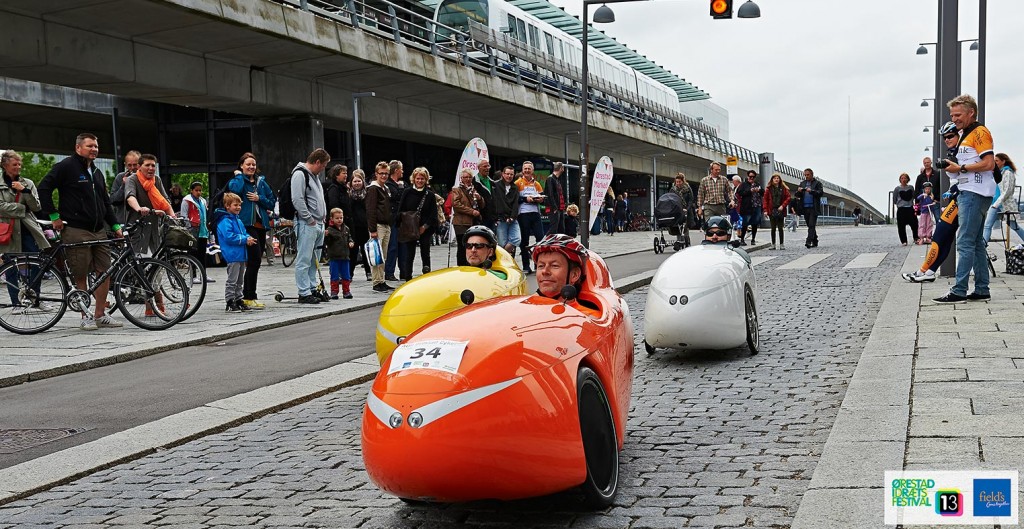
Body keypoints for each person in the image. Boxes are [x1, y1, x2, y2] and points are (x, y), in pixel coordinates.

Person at [38, 133, 123, 330]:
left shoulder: (96, 172)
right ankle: (85, 315)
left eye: (96, 146)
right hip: (76, 228)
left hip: (98, 230)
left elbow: (106, 203)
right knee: (80, 274)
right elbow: (44, 188)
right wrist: (53, 216)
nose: (94, 149)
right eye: (89, 146)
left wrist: (116, 225)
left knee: (104, 271)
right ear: (78, 148)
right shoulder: (66, 167)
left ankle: (100, 314)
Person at [934, 94, 996, 304]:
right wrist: (954, 167)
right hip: (972, 191)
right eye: (952, 114)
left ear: (971, 113)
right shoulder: (964, 134)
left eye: (958, 114)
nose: (954, 118)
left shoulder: (979, 132)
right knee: (976, 242)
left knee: (965, 242)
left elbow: (989, 163)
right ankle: (981, 288)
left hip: (973, 191)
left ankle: (959, 290)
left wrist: (960, 167)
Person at [904, 123, 962, 283]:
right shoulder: (954, 151)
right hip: (956, 197)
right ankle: (928, 271)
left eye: (950, 136)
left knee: (939, 235)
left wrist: (955, 189)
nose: (947, 140)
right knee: (946, 240)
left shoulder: (963, 151)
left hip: (960, 199)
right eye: (945, 138)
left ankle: (924, 271)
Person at [1, 150, 51, 312]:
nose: (18, 167)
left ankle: (35, 298)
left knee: (36, 263)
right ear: (4, 165)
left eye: (19, 164)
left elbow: (36, 206)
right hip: (7, 230)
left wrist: (25, 191)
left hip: (28, 229)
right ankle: (15, 302)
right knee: (10, 266)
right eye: (14, 164)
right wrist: (22, 208)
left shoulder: (27, 183)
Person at [227, 152, 276, 310]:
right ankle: (249, 296)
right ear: (241, 165)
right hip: (246, 225)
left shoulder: (261, 182)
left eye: (253, 164)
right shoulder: (238, 180)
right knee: (254, 259)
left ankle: (247, 295)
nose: (251, 167)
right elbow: (233, 191)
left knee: (255, 261)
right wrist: (240, 176)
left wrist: (259, 198)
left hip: (261, 226)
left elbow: (272, 201)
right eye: (248, 164)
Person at [290, 148, 329, 305]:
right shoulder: (300, 174)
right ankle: (304, 291)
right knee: (304, 258)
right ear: (317, 162)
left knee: (315, 259)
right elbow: (297, 199)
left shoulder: (314, 176)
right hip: (307, 223)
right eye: (324, 165)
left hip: (317, 222)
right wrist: (309, 218)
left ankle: (313, 288)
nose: (324, 168)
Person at [124, 154, 175, 257]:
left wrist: (174, 218)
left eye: (153, 165)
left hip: (154, 229)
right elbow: (130, 197)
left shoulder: (157, 180)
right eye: (147, 165)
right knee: (141, 265)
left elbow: (165, 201)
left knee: (156, 263)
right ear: (139, 167)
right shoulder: (132, 179)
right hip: (139, 229)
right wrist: (139, 209)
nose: (151, 168)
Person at [214, 192, 257, 313]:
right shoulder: (225, 221)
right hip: (232, 254)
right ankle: (229, 300)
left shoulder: (237, 219)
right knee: (232, 280)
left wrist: (248, 238)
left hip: (241, 254)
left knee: (239, 280)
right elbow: (229, 237)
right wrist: (245, 239)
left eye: (239, 205)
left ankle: (238, 299)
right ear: (227, 206)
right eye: (235, 205)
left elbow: (243, 233)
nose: (238, 207)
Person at [396, 167, 438, 279]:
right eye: (418, 178)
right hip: (410, 227)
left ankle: (426, 275)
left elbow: (433, 214)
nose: (420, 181)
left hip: (425, 228)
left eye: (422, 178)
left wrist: (424, 226)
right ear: (413, 179)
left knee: (425, 253)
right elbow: (401, 210)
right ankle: (407, 277)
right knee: (409, 254)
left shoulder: (430, 195)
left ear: (426, 179)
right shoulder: (407, 192)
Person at [531, 233, 589, 305]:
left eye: (554, 265)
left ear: (574, 275)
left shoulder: (587, 315)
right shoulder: (523, 308)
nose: (545, 271)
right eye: (541, 266)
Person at [366, 161, 394, 293]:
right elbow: (370, 210)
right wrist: (372, 230)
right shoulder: (373, 188)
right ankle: (377, 281)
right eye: (381, 173)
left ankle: (381, 280)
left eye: (386, 173)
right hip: (378, 226)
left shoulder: (385, 188)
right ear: (376, 174)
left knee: (383, 255)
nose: (384, 176)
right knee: (377, 255)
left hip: (386, 225)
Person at [180, 181, 214, 282]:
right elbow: (184, 215)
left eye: (200, 190)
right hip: (193, 230)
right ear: (191, 190)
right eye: (196, 190)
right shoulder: (186, 200)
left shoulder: (203, 201)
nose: (199, 192)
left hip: (202, 231)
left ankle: (203, 274)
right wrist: (189, 227)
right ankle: (193, 275)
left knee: (202, 254)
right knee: (192, 253)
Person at [515, 162, 545, 273]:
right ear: (522, 170)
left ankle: (539, 264)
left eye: (529, 169)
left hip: (535, 213)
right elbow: (515, 199)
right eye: (525, 169)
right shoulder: (517, 183)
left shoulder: (536, 184)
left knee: (540, 239)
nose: (527, 170)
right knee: (524, 241)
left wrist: (541, 199)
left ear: (532, 171)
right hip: (523, 214)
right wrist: (525, 199)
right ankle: (526, 266)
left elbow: (542, 196)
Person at [451, 168, 485, 267]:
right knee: (462, 247)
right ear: (461, 178)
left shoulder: (473, 189)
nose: (468, 179)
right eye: (465, 177)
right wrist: (472, 212)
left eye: (470, 177)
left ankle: (471, 265)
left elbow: (482, 205)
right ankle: (461, 266)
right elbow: (456, 205)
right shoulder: (457, 189)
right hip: (461, 223)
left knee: (472, 245)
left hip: (473, 222)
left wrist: (480, 199)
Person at [989, 153, 1024, 245]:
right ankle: (982, 246)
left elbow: (1007, 191)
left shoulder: (1008, 173)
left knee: (1014, 226)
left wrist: (996, 204)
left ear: (1003, 161)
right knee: (987, 225)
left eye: (997, 160)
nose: (995, 163)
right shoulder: (998, 173)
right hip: (995, 203)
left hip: (1001, 204)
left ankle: (982, 247)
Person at [324, 207, 354, 299]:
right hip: (334, 257)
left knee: (346, 275)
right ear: (332, 219)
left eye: (341, 218)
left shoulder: (346, 228)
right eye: (337, 218)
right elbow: (327, 243)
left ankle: (346, 291)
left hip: (345, 256)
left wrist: (351, 242)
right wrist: (326, 236)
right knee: (334, 275)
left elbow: (349, 237)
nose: (339, 220)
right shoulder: (330, 230)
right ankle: (334, 292)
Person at [347, 170, 372, 282]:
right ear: (351, 182)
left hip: (364, 225)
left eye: (359, 181)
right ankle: (350, 273)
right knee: (353, 251)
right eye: (355, 181)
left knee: (366, 250)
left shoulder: (367, 194)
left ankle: (368, 272)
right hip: (353, 226)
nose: (357, 183)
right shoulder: (348, 194)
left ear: (363, 182)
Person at [383, 160, 405, 283]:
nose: (402, 171)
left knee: (401, 247)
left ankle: (402, 270)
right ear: (396, 170)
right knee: (392, 247)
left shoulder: (401, 184)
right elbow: (397, 197)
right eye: (401, 169)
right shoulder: (390, 185)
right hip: (393, 220)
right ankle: (389, 271)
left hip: (401, 220)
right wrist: (401, 188)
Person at [493, 165, 521, 256]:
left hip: (512, 218)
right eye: (507, 174)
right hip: (501, 219)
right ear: (503, 174)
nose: (509, 176)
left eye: (511, 174)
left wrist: (512, 217)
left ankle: (504, 255)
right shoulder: (496, 185)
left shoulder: (515, 187)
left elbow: (516, 204)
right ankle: (505, 259)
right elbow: (496, 203)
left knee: (517, 239)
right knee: (502, 243)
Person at [793, 168, 823, 248]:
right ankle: (815, 240)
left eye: (808, 175)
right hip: (805, 207)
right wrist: (798, 191)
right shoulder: (802, 183)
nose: (806, 176)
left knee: (811, 224)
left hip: (813, 207)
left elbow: (820, 193)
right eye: (805, 175)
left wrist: (811, 191)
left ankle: (808, 241)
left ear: (812, 174)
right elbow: (797, 195)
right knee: (810, 226)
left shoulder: (817, 183)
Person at [109, 150, 140, 224]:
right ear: (125, 165)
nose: (132, 168)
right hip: (125, 222)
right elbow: (113, 200)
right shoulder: (120, 177)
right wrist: (123, 186)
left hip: (142, 222)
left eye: (135, 165)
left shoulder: (147, 178)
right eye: (129, 165)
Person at [762, 172, 791, 250]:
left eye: (778, 178)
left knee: (780, 228)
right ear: (772, 180)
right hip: (772, 210)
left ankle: (782, 244)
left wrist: (783, 206)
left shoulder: (783, 188)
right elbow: (765, 200)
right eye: (775, 178)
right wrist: (765, 210)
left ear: (780, 180)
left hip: (780, 210)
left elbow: (788, 198)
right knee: (773, 228)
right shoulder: (768, 189)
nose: (776, 179)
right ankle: (773, 244)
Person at [893, 173, 919, 246]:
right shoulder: (897, 189)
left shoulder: (911, 187)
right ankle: (904, 241)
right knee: (901, 226)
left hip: (910, 208)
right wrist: (899, 204)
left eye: (905, 178)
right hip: (901, 209)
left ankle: (916, 237)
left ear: (908, 179)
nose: (903, 180)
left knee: (914, 224)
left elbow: (913, 196)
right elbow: (894, 199)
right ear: (900, 180)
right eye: (902, 178)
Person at [736, 170, 762, 245]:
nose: (752, 178)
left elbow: (763, 192)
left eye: (753, 177)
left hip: (756, 206)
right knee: (745, 223)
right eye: (750, 177)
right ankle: (742, 239)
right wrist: (750, 191)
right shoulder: (743, 184)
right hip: (747, 207)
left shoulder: (757, 184)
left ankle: (753, 239)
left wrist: (759, 190)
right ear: (748, 177)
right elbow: (740, 193)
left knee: (755, 223)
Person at [670, 173, 694, 243]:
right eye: (677, 182)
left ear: (683, 181)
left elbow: (691, 199)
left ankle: (686, 240)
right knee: (678, 225)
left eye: (679, 182)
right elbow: (671, 199)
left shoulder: (688, 189)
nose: (678, 183)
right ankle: (679, 241)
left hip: (686, 209)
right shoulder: (673, 189)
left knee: (685, 226)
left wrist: (687, 208)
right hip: (677, 209)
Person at [473, 159, 496, 232]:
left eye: (488, 166)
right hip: (481, 218)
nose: (487, 168)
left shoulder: (492, 182)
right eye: (485, 166)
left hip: (492, 217)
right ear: (479, 168)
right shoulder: (474, 182)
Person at [544, 162, 566, 235]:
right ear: (561, 168)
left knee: (561, 228)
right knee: (554, 228)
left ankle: (557, 244)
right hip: (554, 208)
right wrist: (554, 207)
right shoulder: (551, 179)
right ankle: (545, 242)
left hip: (559, 208)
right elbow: (550, 194)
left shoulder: (555, 179)